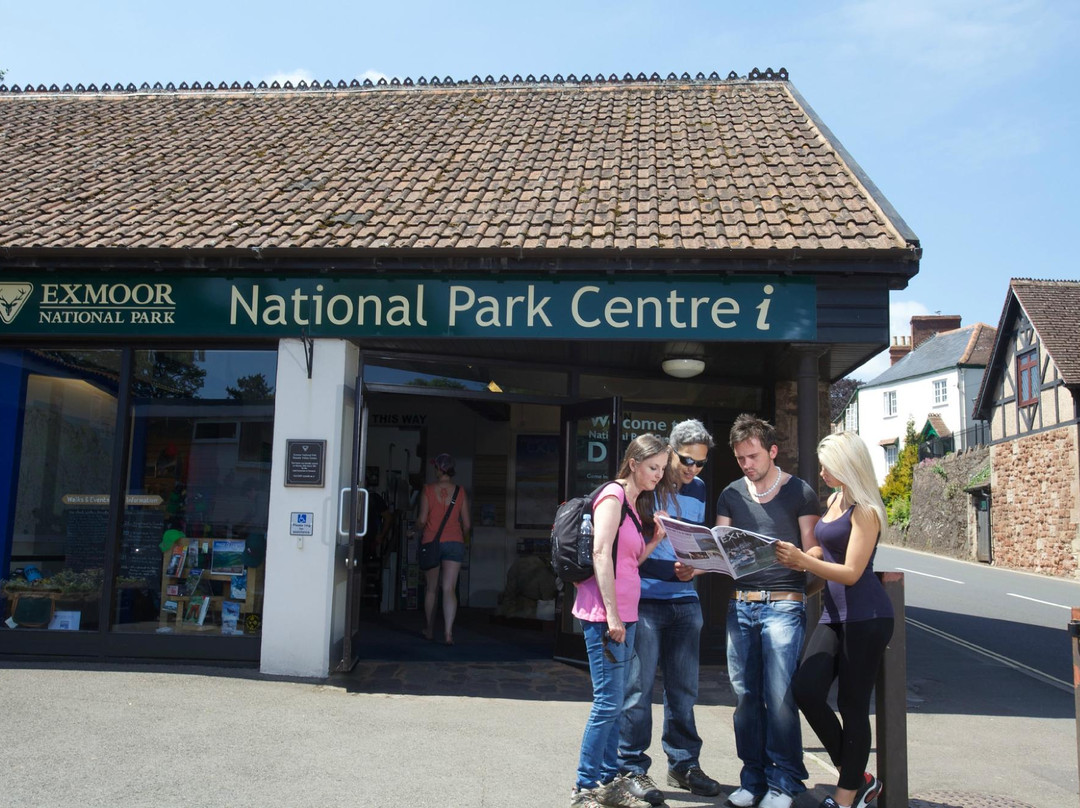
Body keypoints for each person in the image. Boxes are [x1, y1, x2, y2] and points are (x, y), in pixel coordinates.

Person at [679, 413, 819, 808]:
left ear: (772, 452)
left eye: (753, 456)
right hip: (740, 607)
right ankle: (753, 780)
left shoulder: (800, 493)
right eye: (741, 458)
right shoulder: (730, 495)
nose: (747, 464)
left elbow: (814, 550)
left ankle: (785, 782)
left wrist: (803, 558)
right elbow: (719, 546)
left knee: (779, 696)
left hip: (784, 605)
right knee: (745, 697)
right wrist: (696, 562)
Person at [774, 432, 893, 808]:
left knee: (852, 704)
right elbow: (825, 562)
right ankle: (860, 778)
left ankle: (845, 799)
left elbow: (853, 572)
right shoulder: (834, 499)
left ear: (847, 465)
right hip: (834, 615)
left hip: (867, 617)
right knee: (806, 689)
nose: (821, 471)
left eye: (828, 464)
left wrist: (802, 560)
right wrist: (803, 575)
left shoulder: (866, 510)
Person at [617, 419, 720, 805]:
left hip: (685, 600)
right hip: (644, 600)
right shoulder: (648, 485)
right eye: (687, 461)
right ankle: (631, 769)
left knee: (684, 690)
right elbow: (627, 551)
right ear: (670, 452)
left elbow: (693, 544)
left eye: (700, 463)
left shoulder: (699, 489)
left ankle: (683, 765)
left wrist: (695, 566)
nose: (693, 470)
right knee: (637, 690)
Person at [570, 434, 670, 808]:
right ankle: (584, 787)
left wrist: (655, 540)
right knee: (607, 704)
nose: (658, 475)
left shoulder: (631, 503)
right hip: (603, 617)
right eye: (652, 467)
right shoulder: (612, 496)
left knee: (614, 702)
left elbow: (627, 562)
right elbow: (600, 553)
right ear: (633, 463)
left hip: (622, 617)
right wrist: (612, 614)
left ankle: (609, 783)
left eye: (662, 468)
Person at [417, 453, 471, 645]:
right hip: (454, 542)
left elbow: (423, 520)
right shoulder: (460, 492)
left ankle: (430, 630)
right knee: (449, 588)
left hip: (432, 542)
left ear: (439, 469)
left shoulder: (427, 490)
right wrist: (459, 538)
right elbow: (467, 524)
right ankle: (448, 633)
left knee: (431, 589)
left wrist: (416, 528)